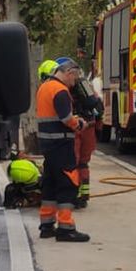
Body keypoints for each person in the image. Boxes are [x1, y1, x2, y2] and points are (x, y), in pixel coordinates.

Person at [35, 57, 91, 242]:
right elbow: (66, 118)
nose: (74, 83)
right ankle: (66, 228)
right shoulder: (60, 90)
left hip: (48, 145)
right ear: (68, 73)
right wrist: (80, 124)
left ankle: (47, 225)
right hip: (61, 144)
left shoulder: (44, 87)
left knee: (50, 184)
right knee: (68, 183)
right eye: (74, 79)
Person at [62, 56, 105, 209]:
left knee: (73, 163)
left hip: (77, 128)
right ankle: (84, 196)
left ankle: (74, 194)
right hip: (90, 127)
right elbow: (99, 108)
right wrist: (98, 129)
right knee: (83, 164)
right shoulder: (87, 88)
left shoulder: (64, 88)